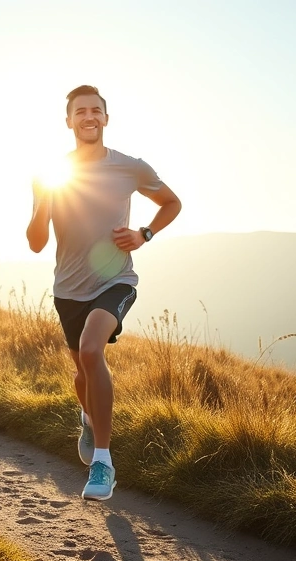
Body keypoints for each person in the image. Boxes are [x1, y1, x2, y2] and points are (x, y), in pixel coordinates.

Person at [26, 85, 182, 501]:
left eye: (96, 110)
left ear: (106, 119)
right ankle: (91, 419)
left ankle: (103, 463)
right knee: (82, 374)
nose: (88, 116)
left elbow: (171, 203)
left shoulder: (130, 168)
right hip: (68, 291)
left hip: (115, 281)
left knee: (93, 351)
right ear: (69, 121)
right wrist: (43, 205)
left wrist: (144, 233)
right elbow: (36, 242)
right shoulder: (49, 174)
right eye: (80, 111)